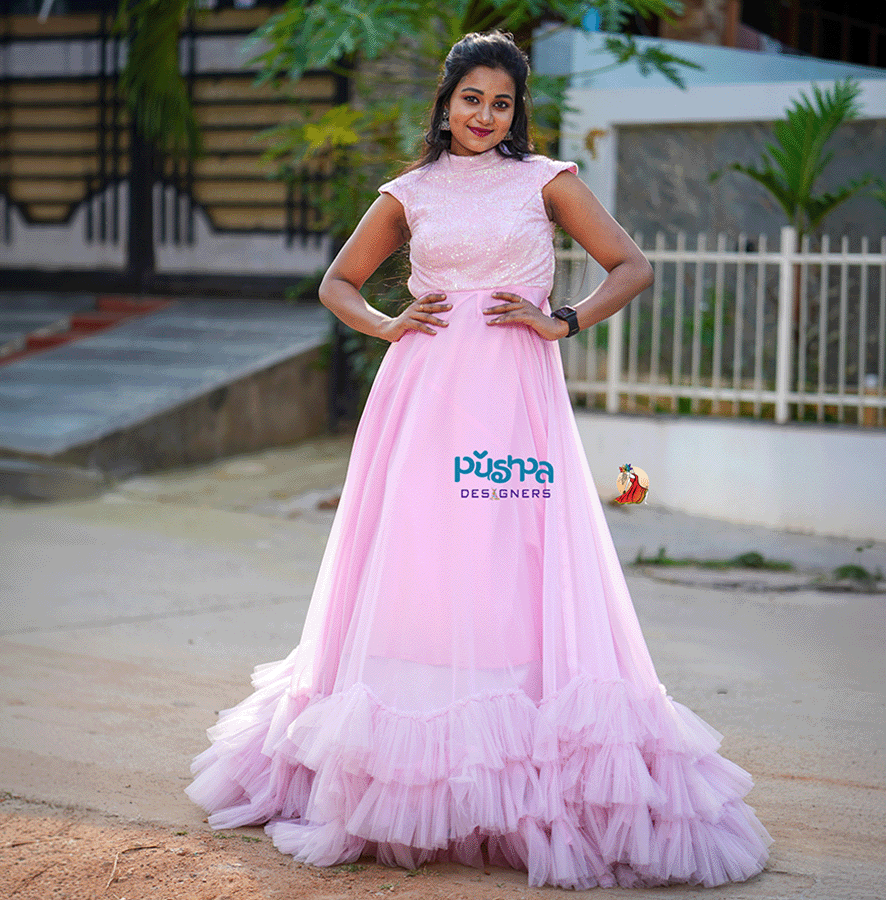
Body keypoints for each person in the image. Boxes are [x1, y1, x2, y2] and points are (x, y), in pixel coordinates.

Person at [186, 31, 772, 890]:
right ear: (446, 100)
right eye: (472, 99)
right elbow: (338, 282)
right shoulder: (410, 190)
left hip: (512, 395)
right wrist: (389, 325)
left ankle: (518, 744)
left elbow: (631, 266)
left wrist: (562, 318)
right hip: (422, 396)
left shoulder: (546, 182)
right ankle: (400, 758)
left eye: (501, 103)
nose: (485, 116)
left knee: (508, 558)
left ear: (516, 109)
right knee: (424, 560)